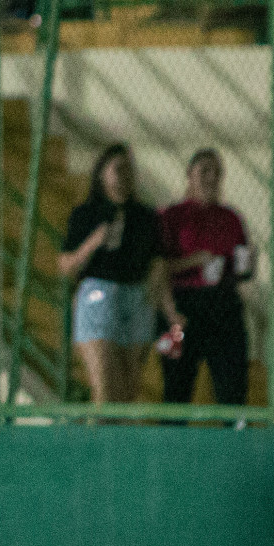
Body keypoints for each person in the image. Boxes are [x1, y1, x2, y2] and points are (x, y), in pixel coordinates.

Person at [57, 143, 184, 405]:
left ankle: (120, 444)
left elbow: (157, 266)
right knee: (104, 385)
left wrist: (171, 313)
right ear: (102, 174)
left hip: (136, 297)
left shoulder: (146, 216)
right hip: (99, 293)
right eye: (118, 169)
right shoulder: (85, 213)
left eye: (129, 170)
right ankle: (96, 445)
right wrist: (92, 243)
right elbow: (65, 264)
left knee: (128, 392)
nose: (124, 176)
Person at [157, 150, 253, 406]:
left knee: (232, 383)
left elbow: (240, 269)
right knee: (176, 383)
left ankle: (234, 440)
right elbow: (158, 268)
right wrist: (193, 261)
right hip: (182, 305)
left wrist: (248, 265)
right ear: (190, 175)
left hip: (222, 303)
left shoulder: (230, 218)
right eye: (204, 171)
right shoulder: (172, 216)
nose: (211, 178)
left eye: (217, 172)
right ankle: (173, 441)